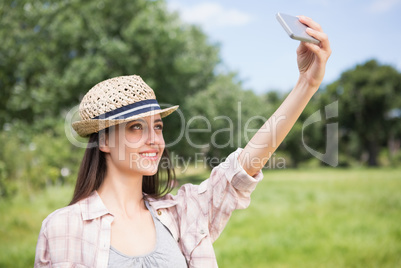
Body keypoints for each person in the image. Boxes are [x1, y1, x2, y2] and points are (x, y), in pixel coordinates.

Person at [34, 16, 331, 268]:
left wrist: (307, 84)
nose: (155, 140)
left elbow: (243, 166)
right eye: (137, 127)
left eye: (158, 126)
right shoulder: (62, 228)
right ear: (104, 142)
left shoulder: (182, 213)